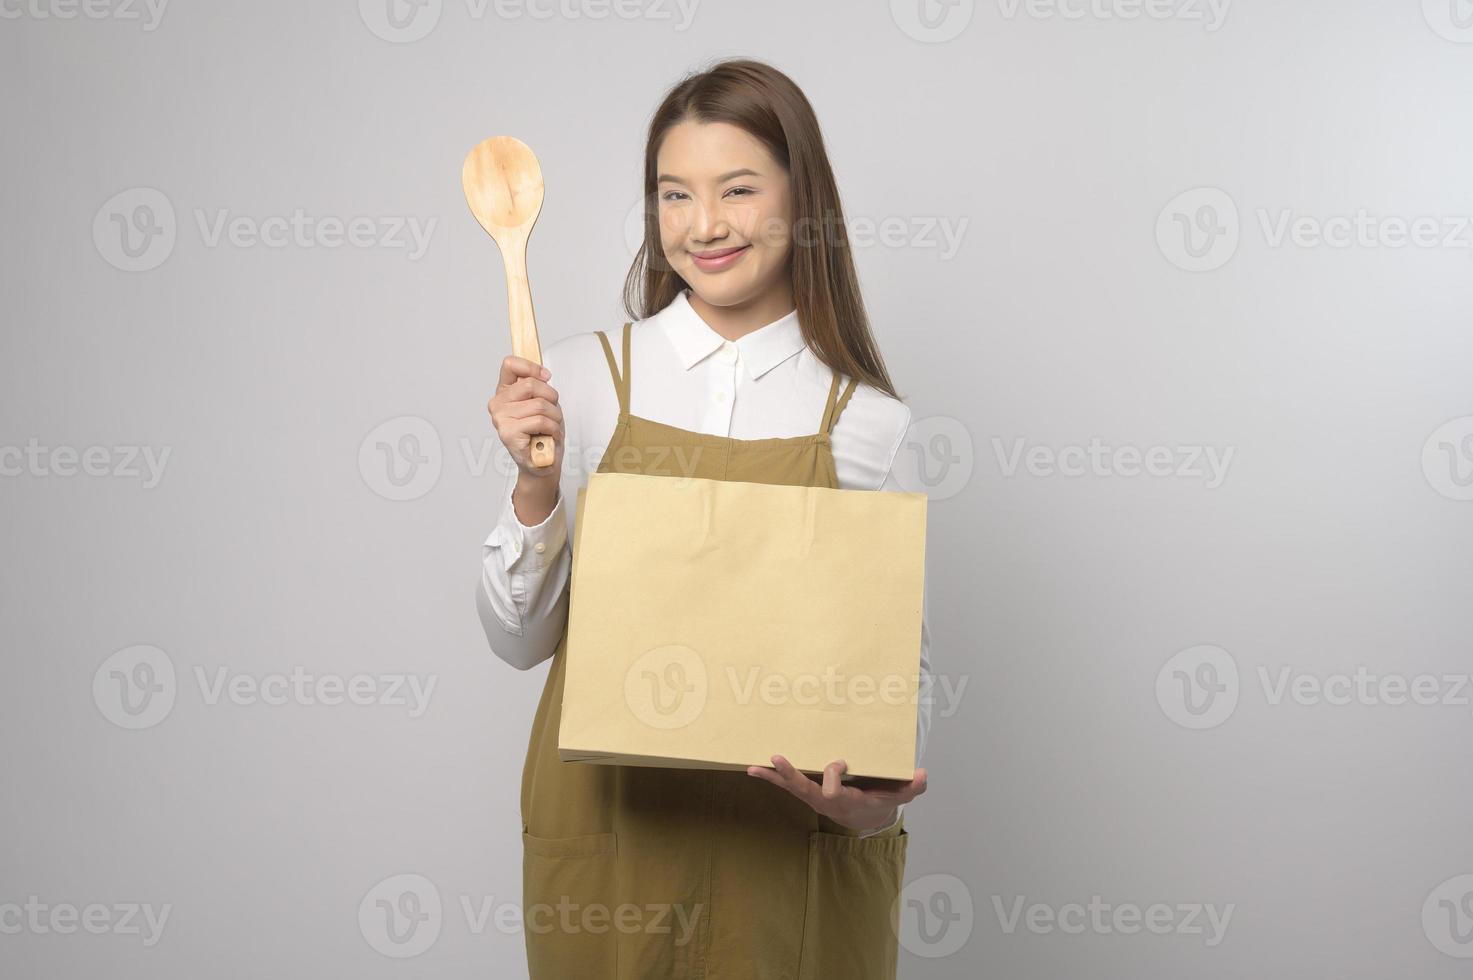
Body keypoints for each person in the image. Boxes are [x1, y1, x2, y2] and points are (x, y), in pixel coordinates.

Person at [477, 57, 933, 979]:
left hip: (785, 861)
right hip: (609, 844)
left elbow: (897, 686)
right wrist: (535, 488)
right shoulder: (580, 383)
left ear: (801, 199)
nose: (704, 225)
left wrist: (869, 804)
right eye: (673, 194)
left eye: (737, 189)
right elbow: (519, 643)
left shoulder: (871, 424)